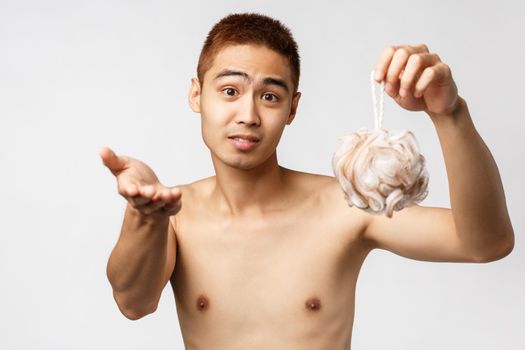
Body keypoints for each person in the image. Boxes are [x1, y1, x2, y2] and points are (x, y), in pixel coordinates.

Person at [99, 12, 515, 349]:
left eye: (269, 96)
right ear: (196, 95)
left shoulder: (344, 206)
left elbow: (484, 243)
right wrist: (145, 217)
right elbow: (134, 303)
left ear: (292, 108)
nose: (247, 114)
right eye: (229, 91)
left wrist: (449, 113)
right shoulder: (174, 215)